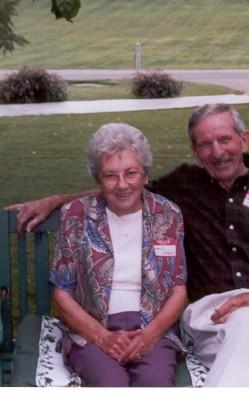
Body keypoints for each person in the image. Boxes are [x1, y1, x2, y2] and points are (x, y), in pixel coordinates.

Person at [7, 104, 249, 387]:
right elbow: (122, 187)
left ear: (244, 140)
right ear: (195, 151)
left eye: (225, 139)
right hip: (212, 319)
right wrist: (55, 202)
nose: (217, 151)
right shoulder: (184, 185)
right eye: (205, 144)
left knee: (248, 322)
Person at [49, 123, 187, 387]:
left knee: (155, 383)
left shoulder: (168, 215)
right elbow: (62, 294)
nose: (122, 185)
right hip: (91, 328)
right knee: (109, 383)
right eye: (110, 175)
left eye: (131, 173)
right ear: (98, 179)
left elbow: (178, 290)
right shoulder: (76, 215)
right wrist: (101, 336)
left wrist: (149, 335)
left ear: (145, 174)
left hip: (152, 329)